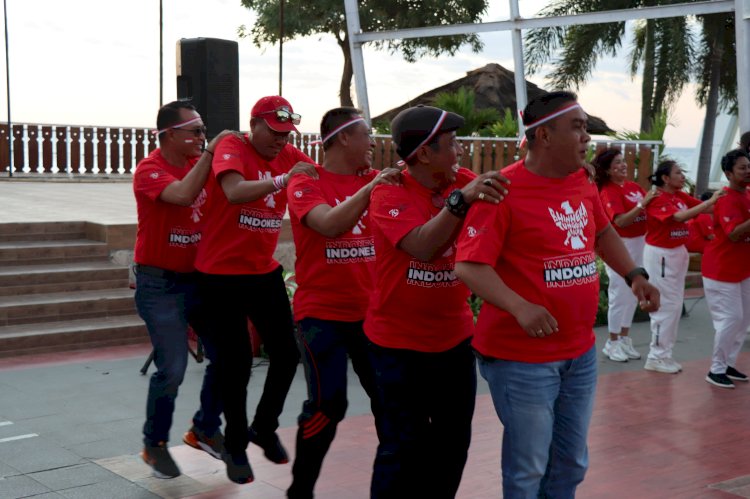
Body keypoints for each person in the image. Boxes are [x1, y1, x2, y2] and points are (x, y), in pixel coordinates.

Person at [454, 91, 660, 498]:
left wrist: (634, 273)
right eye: (578, 127)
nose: (588, 138)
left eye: (586, 127)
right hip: (522, 360)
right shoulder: (503, 190)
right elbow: (469, 265)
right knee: (528, 470)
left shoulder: (581, 181)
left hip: (579, 352)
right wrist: (520, 307)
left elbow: (602, 231)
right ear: (544, 135)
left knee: (570, 464)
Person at [365, 105, 508, 498]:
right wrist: (459, 203)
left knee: (452, 445)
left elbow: (510, 200)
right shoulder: (387, 191)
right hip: (396, 346)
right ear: (424, 153)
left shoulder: (463, 180)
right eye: (452, 144)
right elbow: (422, 246)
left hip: (454, 342)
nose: (460, 152)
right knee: (401, 447)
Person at [191, 96, 317, 484]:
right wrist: (282, 179)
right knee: (236, 363)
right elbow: (234, 191)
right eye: (275, 133)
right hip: (219, 275)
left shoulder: (289, 153)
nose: (281, 141)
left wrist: (368, 175)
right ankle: (235, 447)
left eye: (287, 135)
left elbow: (322, 178)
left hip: (262, 272)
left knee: (286, 353)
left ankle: (263, 427)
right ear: (255, 125)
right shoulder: (233, 146)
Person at [285, 107, 400, 498]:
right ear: (344, 137)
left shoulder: (377, 179)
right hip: (322, 315)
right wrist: (369, 190)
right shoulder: (306, 182)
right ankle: (300, 490)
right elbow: (330, 225)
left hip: (373, 316)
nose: (373, 143)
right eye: (367, 134)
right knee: (326, 405)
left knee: (390, 405)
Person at [133, 100, 234, 478]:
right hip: (159, 283)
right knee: (172, 369)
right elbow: (182, 196)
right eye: (195, 131)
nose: (201, 137)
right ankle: (153, 444)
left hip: (199, 278)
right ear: (169, 134)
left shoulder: (198, 164)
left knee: (230, 355)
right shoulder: (149, 170)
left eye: (204, 131)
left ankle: (206, 428)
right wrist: (210, 153)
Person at [643, 160, 723, 373]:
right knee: (666, 306)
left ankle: (664, 354)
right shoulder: (657, 198)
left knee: (675, 305)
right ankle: (656, 356)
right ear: (665, 178)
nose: (683, 176)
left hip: (678, 252)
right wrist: (709, 203)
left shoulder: (678, 195)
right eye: (678, 173)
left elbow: (706, 208)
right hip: (661, 255)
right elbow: (679, 216)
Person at [594, 148, 657, 362]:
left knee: (634, 294)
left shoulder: (633, 186)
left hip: (641, 244)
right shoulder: (608, 191)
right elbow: (620, 221)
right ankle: (611, 342)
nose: (623, 165)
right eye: (617, 163)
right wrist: (642, 204)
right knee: (619, 296)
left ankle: (623, 338)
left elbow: (649, 211)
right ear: (607, 170)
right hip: (621, 246)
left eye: (623, 161)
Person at [703, 150, 750, 388]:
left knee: (743, 320)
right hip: (721, 270)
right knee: (731, 318)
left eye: (748, 166)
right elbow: (733, 233)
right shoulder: (725, 198)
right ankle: (715, 370)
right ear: (729, 173)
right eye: (742, 167)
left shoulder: (747, 195)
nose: (748, 170)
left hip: (743, 268)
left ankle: (728, 363)